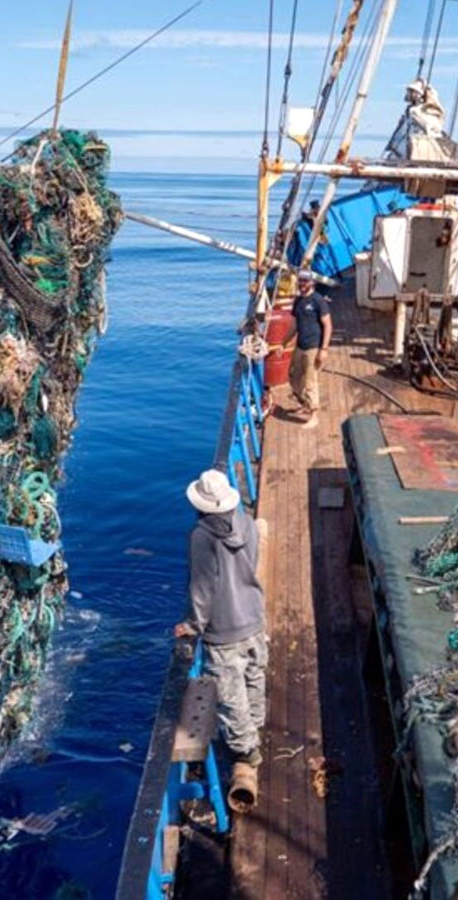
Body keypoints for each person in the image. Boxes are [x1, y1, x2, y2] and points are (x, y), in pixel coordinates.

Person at [175, 469, 268, 779]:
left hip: (224, 629)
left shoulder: (201, 536)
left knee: (230, 694)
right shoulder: (247, 524)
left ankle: (246, 751)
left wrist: (193, 625)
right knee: (254, 676)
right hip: (253, 615)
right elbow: (250, 564)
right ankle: (256, 723)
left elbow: (202, 588)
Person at [288, 270, 333, 421]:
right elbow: (295, 326)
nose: (302, 284)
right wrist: (283, 343)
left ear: (312, 283)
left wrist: (324, 350)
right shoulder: (298, 301)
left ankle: (314, 416)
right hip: (300, 346)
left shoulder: (318, 301)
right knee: (294, 377)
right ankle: (304, 404)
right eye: (300, 280)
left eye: (305, 281)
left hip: (313, 347)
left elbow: (327, 325)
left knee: (310, 381)